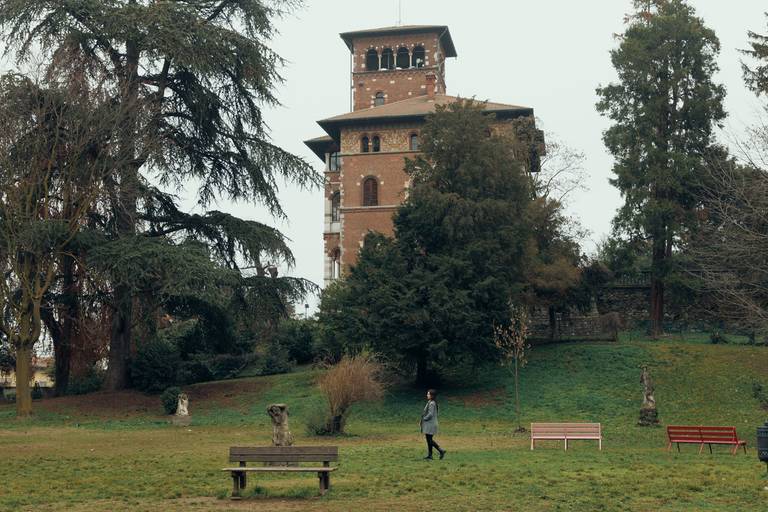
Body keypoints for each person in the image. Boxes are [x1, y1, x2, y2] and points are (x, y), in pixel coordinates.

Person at [420, 389, 446, 460]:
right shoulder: (430, 402)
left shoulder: (432, 403)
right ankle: (430, 455)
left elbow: (430, 414)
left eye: (428, 394)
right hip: (430, 424)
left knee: (429, 440)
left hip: (430, 424)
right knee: (429, 440)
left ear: (432, 395)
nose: (427, 395)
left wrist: (424, 419)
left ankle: (441, 450)